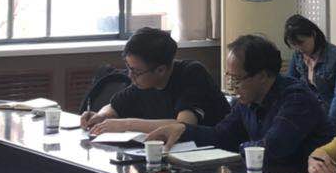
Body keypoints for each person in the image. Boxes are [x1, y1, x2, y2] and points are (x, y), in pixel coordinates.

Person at [146, 34, 333, 165]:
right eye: (229, 78)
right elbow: (222, 136)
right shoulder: (246, 100)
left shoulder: (297, 100)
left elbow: (272, 149)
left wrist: (238, 148)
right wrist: (184, 130)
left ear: (262, 76)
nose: (232, 87)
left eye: (236, 79)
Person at [81, 27, 228, 134]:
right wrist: (101, 117)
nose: (130, 75)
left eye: (136, 71)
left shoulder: (192, 73)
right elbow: (114, 107)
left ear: (160, 70)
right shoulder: (143, 81)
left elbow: (183, 125)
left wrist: (126, 124)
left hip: (214, 155)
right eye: (129, 68)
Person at [284, 14, 336, 132]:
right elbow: (290, 84)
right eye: (294, 45)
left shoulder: (335, 55)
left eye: (301, 43)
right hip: (314, 113)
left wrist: (328, 124)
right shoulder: (298, 55)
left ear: (313, 34)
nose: (299, 48)